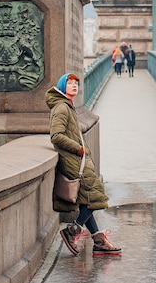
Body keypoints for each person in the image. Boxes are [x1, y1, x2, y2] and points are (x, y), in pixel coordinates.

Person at [45, 72, 122, 257]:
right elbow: (56, 136)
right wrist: (79, 149)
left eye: (76, 84)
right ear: (62, 87)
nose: (74, 86)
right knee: (97, 198)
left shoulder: (67, 106)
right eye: (69, 83)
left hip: (78, 161)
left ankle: (98, 241)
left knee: (89, 200)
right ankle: (72, 230)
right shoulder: (62, 108)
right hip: (74, 161)